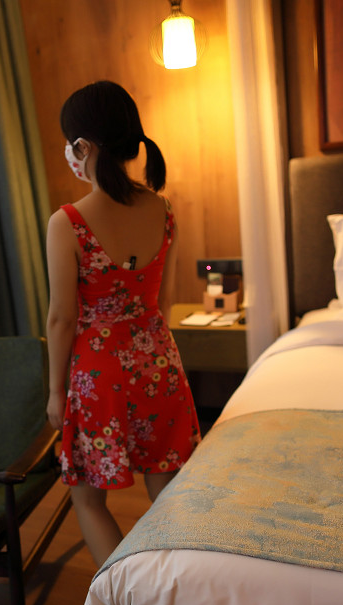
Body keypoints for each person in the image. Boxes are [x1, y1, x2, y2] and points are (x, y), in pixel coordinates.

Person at [45, 80, 201, 567]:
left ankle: (125, 602)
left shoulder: (67, 222)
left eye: (70, 144)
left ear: (83, 147)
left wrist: (55, 391)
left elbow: (62, 317)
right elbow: (164, 301)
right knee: (169, 491)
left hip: (100, 374)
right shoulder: (163, 209)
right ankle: (182, 586)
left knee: (89, 499)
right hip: (159, 363)